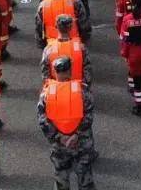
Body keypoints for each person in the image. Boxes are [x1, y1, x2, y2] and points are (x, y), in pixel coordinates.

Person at [38, 56, 95, 190]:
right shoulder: (82, 91)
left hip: (59, 145)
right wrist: (76, 135)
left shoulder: (46, 94)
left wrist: (60, 137)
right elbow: (89, 115)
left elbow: (42, 120)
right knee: (85, 178)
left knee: (61, 179)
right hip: (81, 142)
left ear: (55, 72)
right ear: (69, 71)